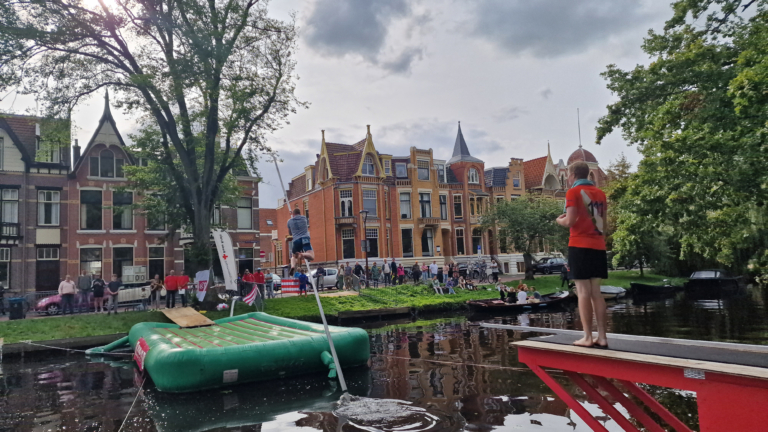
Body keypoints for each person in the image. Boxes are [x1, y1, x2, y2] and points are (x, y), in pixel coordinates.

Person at [556, 160, 609, 349]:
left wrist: (559, 220)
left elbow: (570, 221)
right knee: (596, 292)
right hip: (598, 245)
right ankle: (602, 337)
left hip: (579, 245)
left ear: (572, 175)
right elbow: (603, 224)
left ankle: (587, 337)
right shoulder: (601, 194)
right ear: (587, 174)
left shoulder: (573, 192)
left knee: (583, 292)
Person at [287, 208, 314, 273]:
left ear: (293, 214)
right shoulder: (304, 218)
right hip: (305, 239)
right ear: (300, 213)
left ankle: (293, 266)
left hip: (296, 240)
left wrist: (292, 216)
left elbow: (290, 233)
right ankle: (302, 254)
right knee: (311, 256)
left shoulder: (289, 221)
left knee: (293, 256)